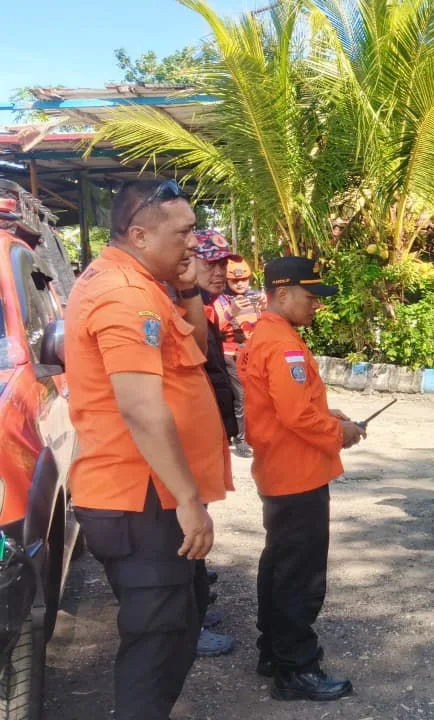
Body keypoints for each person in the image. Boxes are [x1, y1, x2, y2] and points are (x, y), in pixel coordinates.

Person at [66, 178, 224, 720]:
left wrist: (187, 290)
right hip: (141, 498)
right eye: (183, 232)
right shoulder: (124, 295)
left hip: (151, 494)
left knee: (180, 620)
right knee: (157, 643)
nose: (194, 243)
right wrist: (188, 499)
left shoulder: (145, 285)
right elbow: (139, 407)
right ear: (139, 235)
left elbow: (195, 351)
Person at [238, 257, 365, 702]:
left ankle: (274, 652)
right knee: (300, 576)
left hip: (281, 469)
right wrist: (340, 432)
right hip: (297, 473)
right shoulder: (281, 344)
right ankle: (296, 669)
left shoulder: (268, 336)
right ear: (282, 293)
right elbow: (295, 416)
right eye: (310, 297)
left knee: (279, 564)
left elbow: (283, 406)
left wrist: (328, 414)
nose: (316, 305)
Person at [190, 229, 240, 659]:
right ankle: (188, 623)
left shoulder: (207, 309)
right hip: (187, 441)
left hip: (207, 433)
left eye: (223, 263)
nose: (220, 271)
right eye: (211, 263)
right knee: (185, 531)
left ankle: (197, 607)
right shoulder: (181, 310)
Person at [214, 255, 265, 458]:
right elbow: (212, 328)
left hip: (252, 354)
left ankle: (253, 433)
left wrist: (264, 308)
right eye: (235, 280)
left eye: (244, 279)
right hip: (230, 354)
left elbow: (265, 325)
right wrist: (231, 312)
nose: (240, 284)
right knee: (240, 397)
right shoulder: (220, 300)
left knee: (256, 396)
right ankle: (240, 438)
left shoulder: (257, 297)